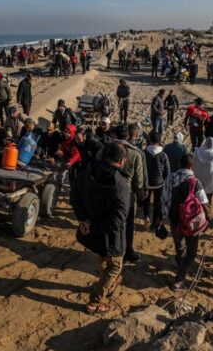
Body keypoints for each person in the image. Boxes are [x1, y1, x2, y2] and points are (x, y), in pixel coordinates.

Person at [70, 142, 130, 314]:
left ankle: (107, 283)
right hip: (110, 238)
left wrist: (84, 221)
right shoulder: (120, 186)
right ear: (121, 161)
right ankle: (95, 302)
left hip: (91, 233)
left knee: (104, 262)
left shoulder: (88, 172)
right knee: (114, 268)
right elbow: (117, 221)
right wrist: (90, 226)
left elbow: (74, 196)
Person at [162, 154, 211, 290]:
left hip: (175, 220)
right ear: (192, 166)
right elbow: (204, 203)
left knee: (179, 246)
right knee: (192, 251)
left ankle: (181, 265)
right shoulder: (195, 182)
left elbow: (164, 199)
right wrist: (208, 218)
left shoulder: (170, 178)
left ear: (180, 165)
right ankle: (180, 278)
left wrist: (164, 217)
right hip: (192, 222)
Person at [102, 124, 145, 262]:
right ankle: (127, 251)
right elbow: (139, 181)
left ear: (114, 134)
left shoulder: (106, 148)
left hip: (106, 189)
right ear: (128, 136)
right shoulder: (135, 153)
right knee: (127, 224)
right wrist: (141, 197)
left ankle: (108, 248)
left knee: (109, 220)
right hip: (127, 194)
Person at [144, 131, 170, 228]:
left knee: (146, 201)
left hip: (147, 182)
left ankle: (146, 217)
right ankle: (154, 223)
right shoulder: (163, 154)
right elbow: (167, 171)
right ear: (159, 141)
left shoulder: (145, 152)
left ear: (150, 140)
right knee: (157, 203)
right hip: (159, 183)